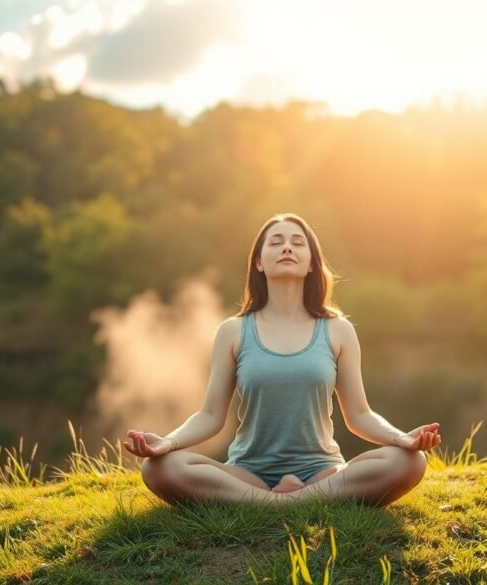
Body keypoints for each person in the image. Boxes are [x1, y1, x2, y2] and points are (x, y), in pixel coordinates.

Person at [125, 212, 441, 507]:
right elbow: (210, 416)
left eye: (297, 242)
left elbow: (359, 414)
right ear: (259, 263)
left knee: (410, 461)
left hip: (322, 473)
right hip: (248, 474)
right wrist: (167, 443)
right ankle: (277, 502)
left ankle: (290, 501)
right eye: (276, 242)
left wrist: (401, 438)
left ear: (312, 264)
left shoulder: (338, 330)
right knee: (158, 469)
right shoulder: (233, 331)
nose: (287, 247)